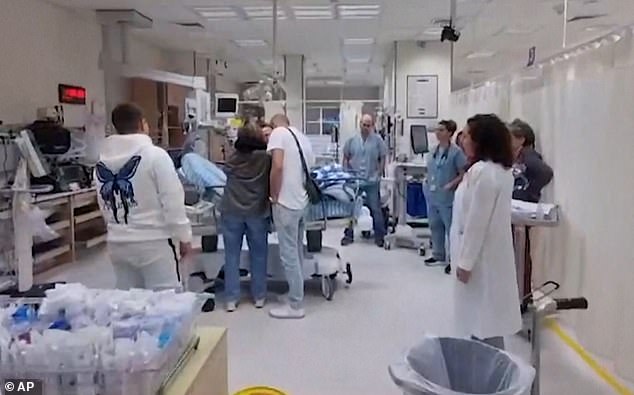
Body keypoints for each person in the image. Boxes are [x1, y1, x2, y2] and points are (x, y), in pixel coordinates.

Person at [95, 103, 192, 290]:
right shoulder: (155, 156)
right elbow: (172, 201)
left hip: (117, 243)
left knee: (129, 303)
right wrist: (184, 237)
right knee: (165, 303)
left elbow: (104, 203)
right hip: (154, 242)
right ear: (142, 124)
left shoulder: (101, 163)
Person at [451, 114, 521, 349]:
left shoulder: (484, 173)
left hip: (480, 260)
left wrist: (466, 262)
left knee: (482, 321)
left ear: (481, 140)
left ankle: (488, 378)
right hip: (487, 257)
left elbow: (476, 222)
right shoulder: (498, 171)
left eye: (468, 135)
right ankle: (486, 373)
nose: (463, 140)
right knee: (485, 320)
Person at [220, 122, 272, 312]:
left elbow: (225, 171)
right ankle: (259, 296)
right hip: (257, 212)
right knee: (258, 254)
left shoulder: (233, 159)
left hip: (232, 210)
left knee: (231, 255)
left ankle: (231, 299)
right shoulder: (265, 159)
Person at [267, 114, 314, 319]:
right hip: (302, 203)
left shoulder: (279, 134)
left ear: (273, 125)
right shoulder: (302, 137)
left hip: (286, 203)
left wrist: (274, 194)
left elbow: (277, 166)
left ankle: (295, 306)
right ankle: (296, 294)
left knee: (289, 256)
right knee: (297, 252)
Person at [424, 120, 467, 267]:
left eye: (441, 130)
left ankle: (453, 259)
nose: (437, 132)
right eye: (437, 130)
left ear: (449, 133)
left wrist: (451, 184)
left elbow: (463, 174)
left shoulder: (456, 153)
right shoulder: (433, 151)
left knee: (451, 229)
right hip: (433, 195)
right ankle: (438, 254)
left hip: (448, 197)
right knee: (435, 225)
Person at [340, 114, 388, 247]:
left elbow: (383, 157)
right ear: (359, 124)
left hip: (371, 180)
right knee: (351, 208)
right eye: (364, 124)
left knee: (376, 208)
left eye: (368, 125)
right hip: (355, 180)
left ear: (372, 126)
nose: (366, 127)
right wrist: (346, 173)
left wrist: (379, 173)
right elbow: (345, 156)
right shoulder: (352, 140)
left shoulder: (377, 141)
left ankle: (380, 236)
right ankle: (348, 235)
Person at [509, 119, 553, 203]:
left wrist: (531, 191)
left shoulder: (528, 156)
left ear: (521, 139)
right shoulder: (517, 158)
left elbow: (546, 172)